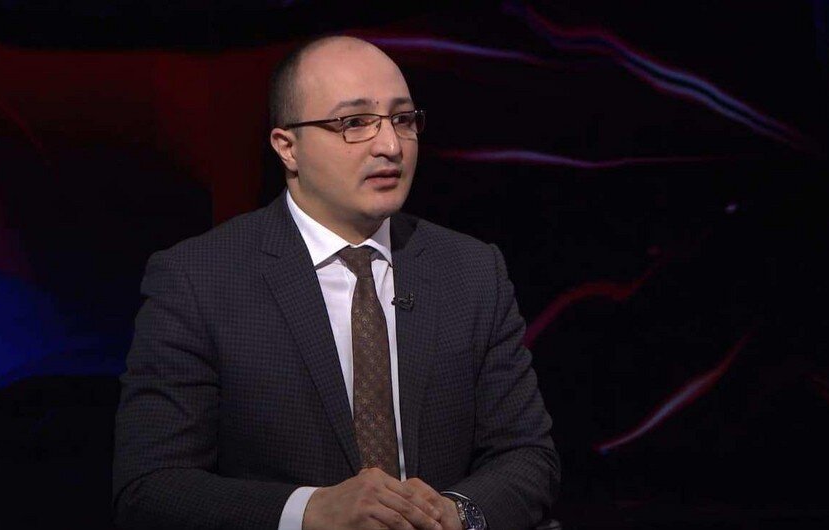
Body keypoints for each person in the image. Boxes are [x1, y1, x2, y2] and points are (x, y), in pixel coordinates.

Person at [113, 35, 559, 530]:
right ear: (287, 147)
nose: (390, 146)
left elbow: (527, 455)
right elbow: (151, 486)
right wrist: (308, 511)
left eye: (402, 119)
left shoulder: (471, 269)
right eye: (355, 123)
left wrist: (453, 515)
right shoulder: (198, 279)